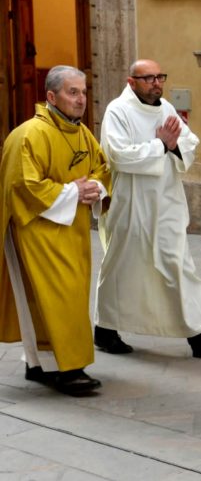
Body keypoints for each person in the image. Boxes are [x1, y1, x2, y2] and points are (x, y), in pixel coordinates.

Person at [95, 59, 201, 358]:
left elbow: (188, 142)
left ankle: (200, 337)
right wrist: (161, 145)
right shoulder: (117, 111)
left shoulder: (166, 109)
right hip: (131, 203)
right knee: (121, 266)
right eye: (148, 78)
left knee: (177, 264)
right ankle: (105, 330)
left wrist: (173, 146)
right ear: (131, 82)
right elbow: (118, 155)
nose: (157, 83)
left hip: (166, 202)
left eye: (160, 77)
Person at [0, 65, 110, 395]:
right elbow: (23, 184)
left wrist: (95, 188)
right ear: (51, 96)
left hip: (73, 230)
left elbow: (101, 167)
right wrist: (73, 191)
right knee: (56, 297)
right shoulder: (29, 134)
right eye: (72, 92)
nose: (81, 99)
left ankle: (41, 364)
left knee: (68, 296)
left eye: (84, 92)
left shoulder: (82, 132)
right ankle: (69, 368)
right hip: (38, 232)